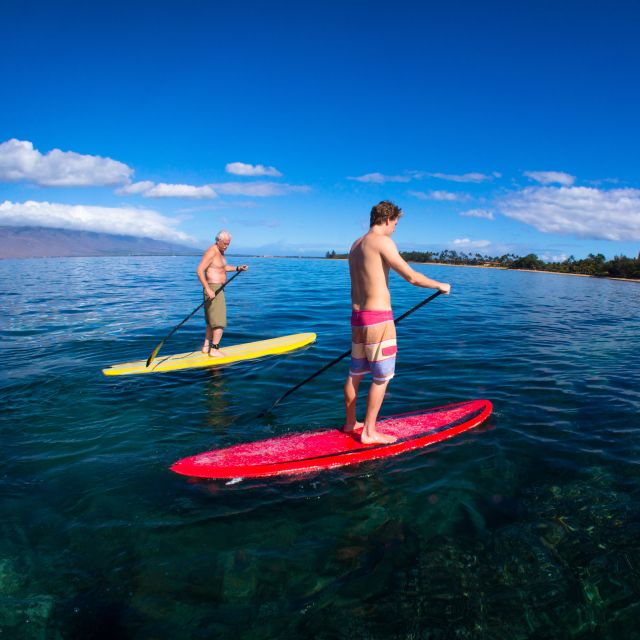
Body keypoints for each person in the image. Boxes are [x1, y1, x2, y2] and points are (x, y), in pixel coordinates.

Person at [344, 201, 451, 444]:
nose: (395, 228)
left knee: (355, 373)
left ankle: (351, 422)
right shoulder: (382, 241)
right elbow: (412, 277)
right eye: (396, 223)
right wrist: (439, 285)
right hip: (378, 319)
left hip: (358, 318)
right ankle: (369, 432)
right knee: (381, 378)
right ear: (388, 218)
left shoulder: (355, 245)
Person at [196, 230, 248, 357]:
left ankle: (206, 347)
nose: (226, 246)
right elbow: (199, 270)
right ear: (218, 240)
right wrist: (208, 289)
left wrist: (237, 268)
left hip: (217, 289)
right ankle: (214, 349)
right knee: (219, 322)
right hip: (213, 289)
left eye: (228, 244)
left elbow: (222, 268)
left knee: (211, 321)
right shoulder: (211, 251)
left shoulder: (220, 252)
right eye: (224, 243)